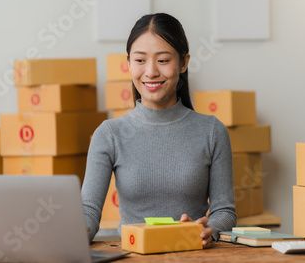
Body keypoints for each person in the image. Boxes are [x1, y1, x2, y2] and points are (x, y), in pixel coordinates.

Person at [81, 13, 236, 248]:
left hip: (191, 254)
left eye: (163, 60)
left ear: (183, 63)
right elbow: (88, 211)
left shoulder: (212, 131)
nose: (151, 72)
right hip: (132, 255)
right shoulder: (109, 134)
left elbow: (225, 212)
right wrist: (70, 238)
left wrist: (210, 229)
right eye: (140, 60)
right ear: (129, 63)